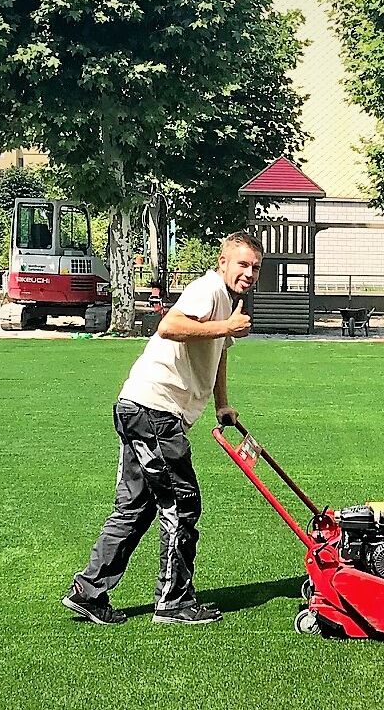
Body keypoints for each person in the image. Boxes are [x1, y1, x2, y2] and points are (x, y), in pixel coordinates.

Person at [62, 231, 264, 625]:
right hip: (154, 410)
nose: (249, 272)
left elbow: (219, 353)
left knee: (135, 506)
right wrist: (226, 327)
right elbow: (170, 326)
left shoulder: (225, 302)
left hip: (138, 406)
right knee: (182, 504)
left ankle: (89, 592)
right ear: (223, 263)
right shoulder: (208, 289)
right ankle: (173, 603)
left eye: (255, 267)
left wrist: (222, 403)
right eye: (242, 264)